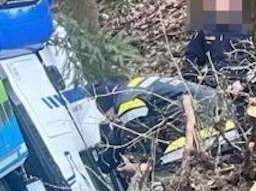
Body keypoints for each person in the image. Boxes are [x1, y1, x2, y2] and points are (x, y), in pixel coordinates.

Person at [89, 75, 235, 177]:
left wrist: (140, 168)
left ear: (107, 104)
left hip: (212, 125)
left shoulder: (126, 102)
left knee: (161, 172)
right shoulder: (137, 84)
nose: (110, 119)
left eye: (106, 114)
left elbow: (145, 140)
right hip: (225, 109)